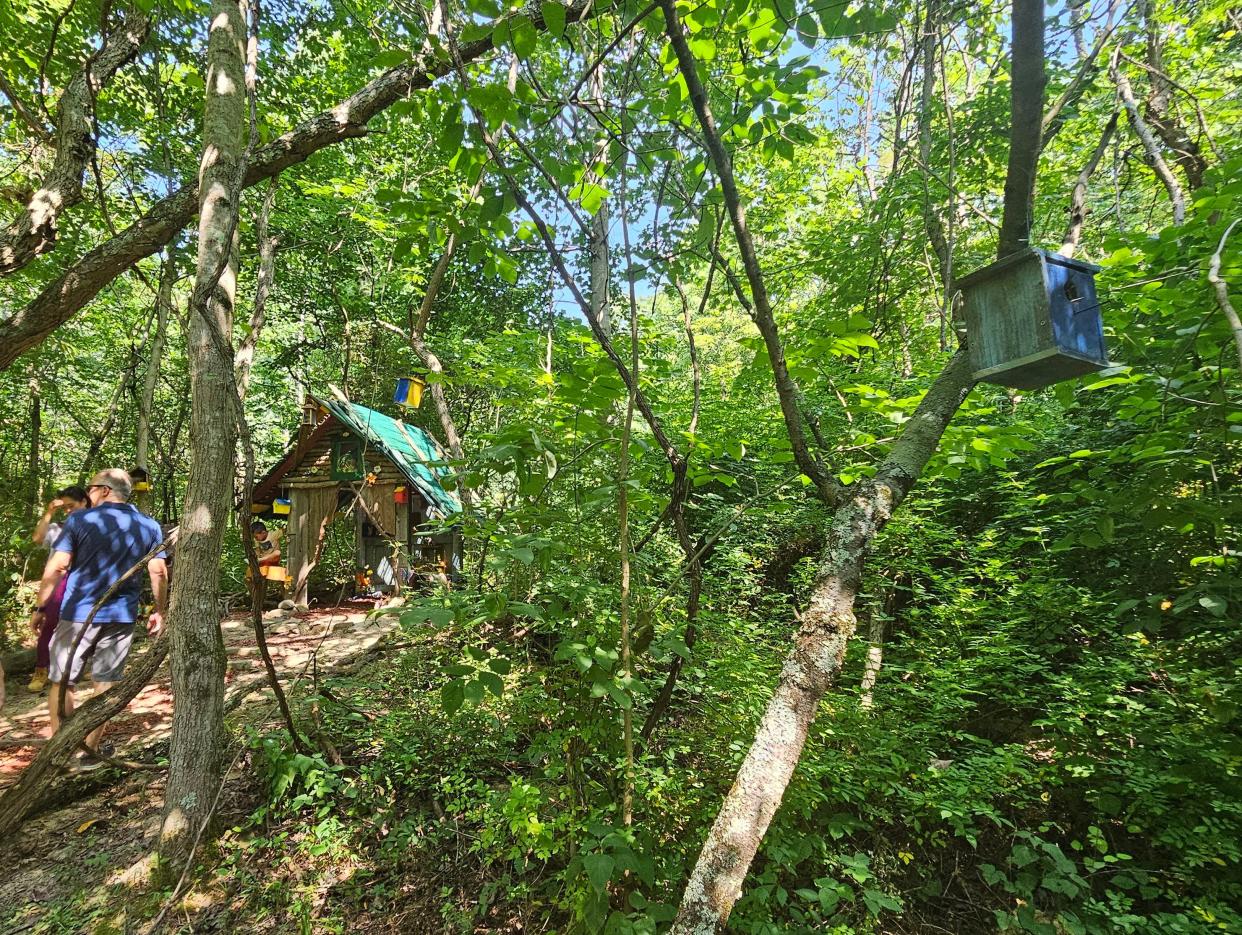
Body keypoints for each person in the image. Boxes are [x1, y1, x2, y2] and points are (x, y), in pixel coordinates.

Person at [30, 468, 167, 770]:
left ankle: (59, 750)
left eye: (91, 487)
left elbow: (57, 566)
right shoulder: (149, 525)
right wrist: (160, 610)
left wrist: (41, 608)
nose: (88, 493)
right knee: (104, 683)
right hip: (122, 615)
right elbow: (158, 571)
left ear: (104, 490)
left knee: (62, 680)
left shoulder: (80, 520)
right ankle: (88, 752)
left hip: (78, 613)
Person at [27, 485, 91, 693]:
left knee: (85, 623)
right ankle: (41, 669)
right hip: (59, 580)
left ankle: (81, 666)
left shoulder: (95, 525)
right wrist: (49, 513)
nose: (68, 511)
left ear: (84, 502)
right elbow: (37, 539)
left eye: (71, 506)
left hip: (85, 580)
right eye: (65, 508)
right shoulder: (57, 527)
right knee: (49, 623)